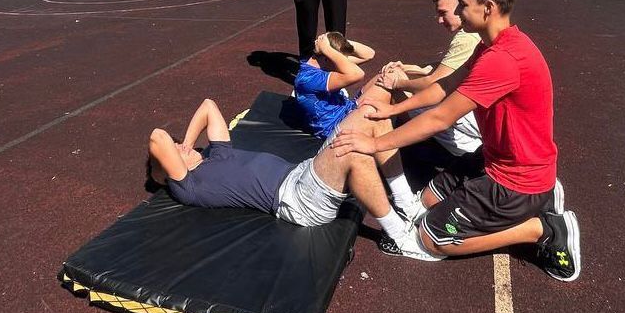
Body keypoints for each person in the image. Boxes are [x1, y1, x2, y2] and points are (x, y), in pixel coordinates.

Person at [331, 0, 582, 281]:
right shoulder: (490, 46)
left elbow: (441, 117)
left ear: (488, 8)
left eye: (463, 4)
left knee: (430, 239)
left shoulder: (502, 60)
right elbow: (444, 87)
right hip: (497, 159)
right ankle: (542, 198)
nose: (459, 11)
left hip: (514, 180)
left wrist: (374, 144)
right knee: (425, 202)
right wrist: (393, 109)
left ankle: (543, 229)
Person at [148, 95, 432, 259]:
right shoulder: (190, 185)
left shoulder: (218, 154)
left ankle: (406, 202)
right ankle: (400, 238)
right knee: (354, 154)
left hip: (304, 172)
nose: (179, 146)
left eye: (178, 143)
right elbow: (157, 137)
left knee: (370, 114)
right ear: (168, 171)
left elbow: (208, 105)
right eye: (175, 149)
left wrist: (186, 143)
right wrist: (169, 163)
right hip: (297, 201)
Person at [377, 0, 482, 158]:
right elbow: (441, 68)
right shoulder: (475, 34)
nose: (439, 20)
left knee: (407, 97)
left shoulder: (466, 38)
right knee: (410, 89)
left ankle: (428, 151)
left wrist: (397, 83)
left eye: (443, 13)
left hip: (475, 115)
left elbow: (434, 83)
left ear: (460, 8)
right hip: (480, 111)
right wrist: (407, 68)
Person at [294, 31, 375, 139]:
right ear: (328, 57)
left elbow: (369, 54)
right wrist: (327, 48)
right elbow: (358, 74)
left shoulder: (324, 63)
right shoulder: (310, 79)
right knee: (371, 111)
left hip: (346, 109)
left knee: (388, 75)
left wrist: (337, 40)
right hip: (333, 127)